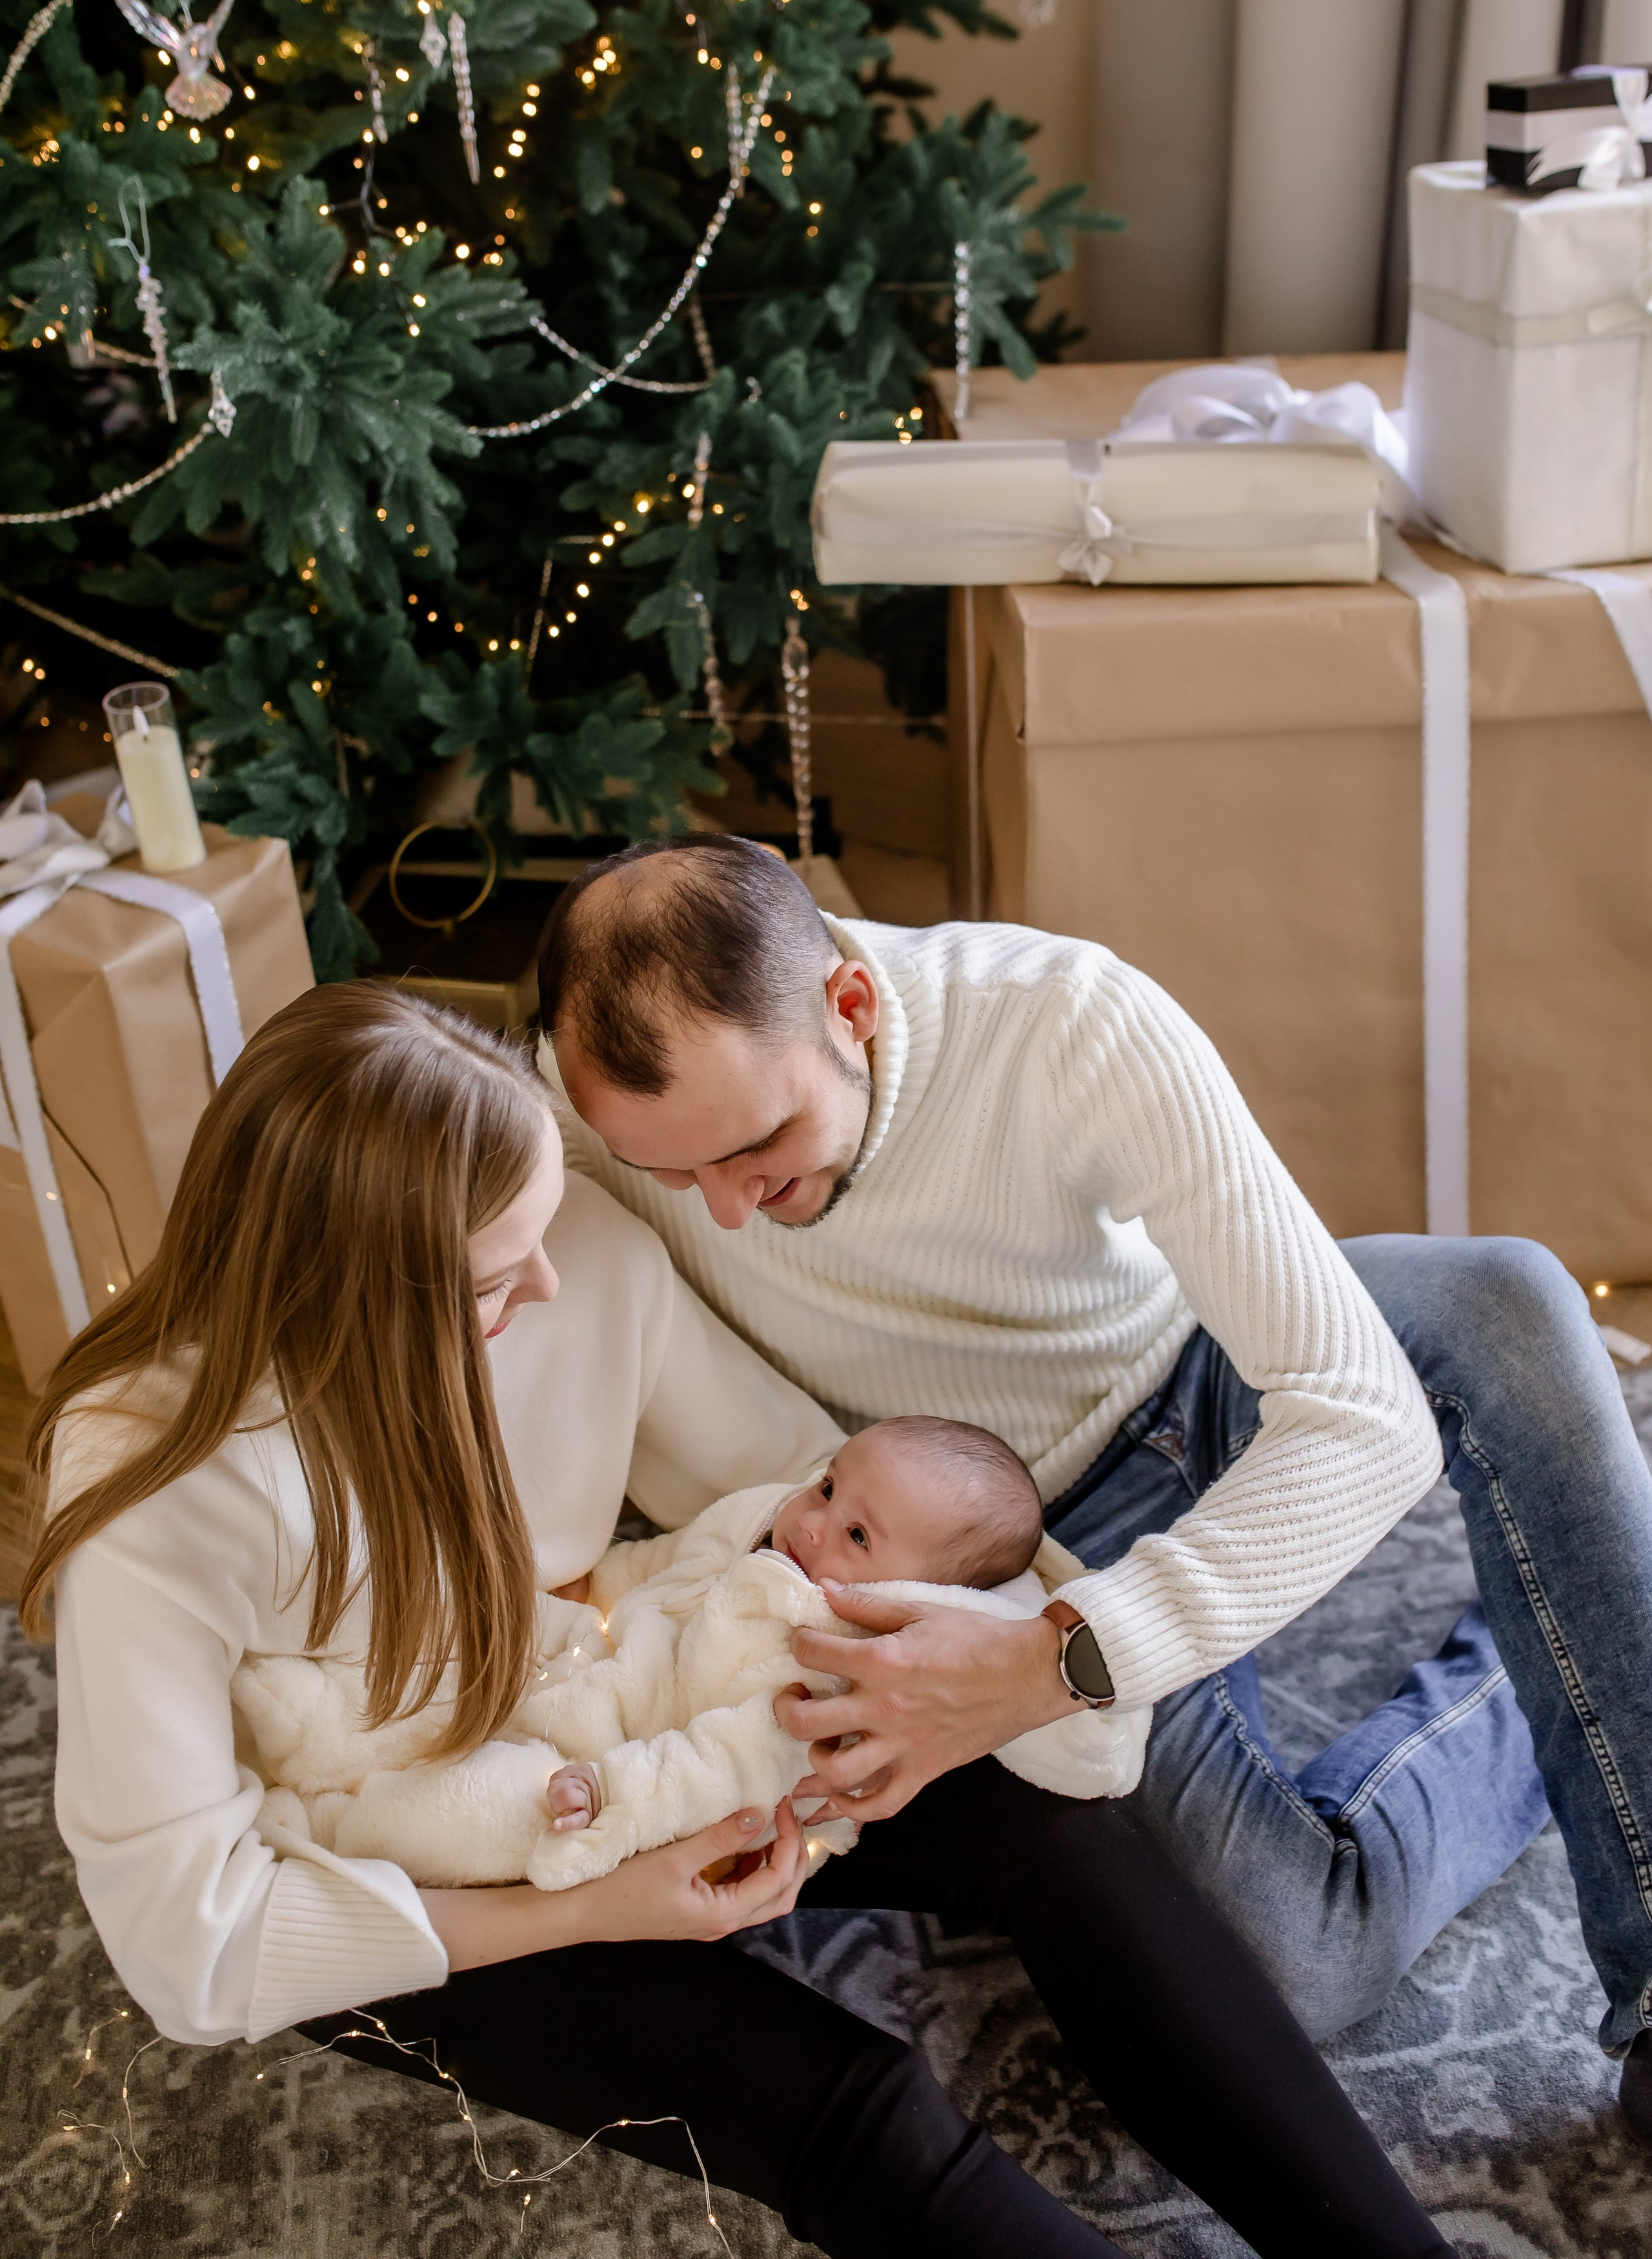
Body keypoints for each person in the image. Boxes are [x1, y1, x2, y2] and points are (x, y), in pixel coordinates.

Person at [21, 983, 1457, 2259]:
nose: (551, 1283)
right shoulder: (158, 1486)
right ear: (350, 1304)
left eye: (541, 1227)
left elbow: (802, 1498)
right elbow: (193, 1944)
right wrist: (595, 1908)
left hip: (632, 1715)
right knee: (850, 2109)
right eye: (488, 1282)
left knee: (1050, 1833)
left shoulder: (570, 1257)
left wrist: (966, 1688)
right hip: (408, 1856)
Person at [536, 833, 1652, 2137]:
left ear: (847, 1008)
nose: (725, 1213)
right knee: (1300, 1966)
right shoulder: (582, 1124)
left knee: (1512, 1305)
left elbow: (1359, 1415)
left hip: (1192, 1366)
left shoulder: (1061, 1019)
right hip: (997, 1534)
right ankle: (1558, 1666)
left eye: (760, 1146)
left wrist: (1062, 1665)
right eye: (675, 1178)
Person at [234, 1414, 1127, 1891]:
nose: (810, 1521)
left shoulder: (841, 1666)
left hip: (637, 1787)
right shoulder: (764, 1522)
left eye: (855, 1532)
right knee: (474, 1647)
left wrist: (614, 1795)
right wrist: (597, 1587)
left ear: (920, 1594)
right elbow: (672, 1559)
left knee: (499, 1809)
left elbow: (732, 1768)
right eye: (826, 1486)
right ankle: (316, 1724)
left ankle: (346, 1830)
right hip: (601, 1663)